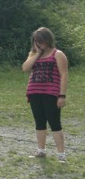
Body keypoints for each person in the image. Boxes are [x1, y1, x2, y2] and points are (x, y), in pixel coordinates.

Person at [22, 27, 69, 163]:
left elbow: (64, 75)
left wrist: (62, 95)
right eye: (36, 41)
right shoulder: (33, 54)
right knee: (39, 122)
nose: (39, 44)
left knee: (55, 123)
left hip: (51, 93)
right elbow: (25, 68)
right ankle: (41, 150)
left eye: (41, 41)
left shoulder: (58, 54)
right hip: (34, 92)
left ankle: (61, 154)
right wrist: (37, 54)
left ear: (48, 40)